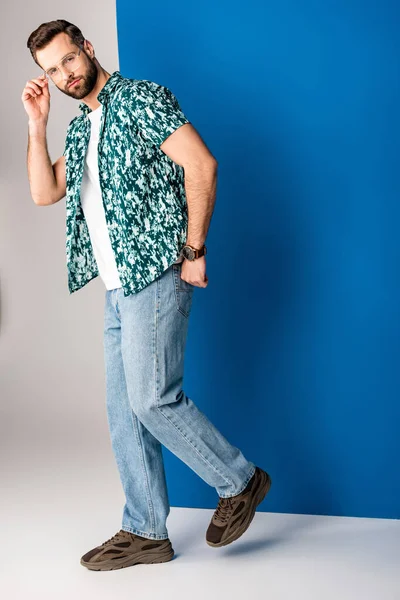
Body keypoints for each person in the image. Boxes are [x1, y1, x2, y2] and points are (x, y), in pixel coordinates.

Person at [23, 19, 272, 571]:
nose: (63, 75)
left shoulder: (140, 99)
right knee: (124, 413)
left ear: (87, 49)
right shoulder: (79, 128)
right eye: (50, 70)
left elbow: (201, 163)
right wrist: (37, 125)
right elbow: (44, 192)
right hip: (116, 287)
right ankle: (145, 530)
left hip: (156, 272)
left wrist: (195, 250)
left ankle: (240, 480)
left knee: (152, 398)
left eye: (67, 60)